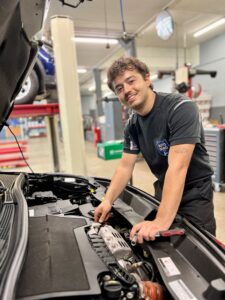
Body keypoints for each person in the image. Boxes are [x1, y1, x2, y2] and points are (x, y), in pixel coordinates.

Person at [94, 56, 216, 243]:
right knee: (160, 245)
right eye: (119, 88)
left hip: (194, 194)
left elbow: (178, 167)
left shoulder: (180, 108)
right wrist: (107, 200)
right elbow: (125, 167)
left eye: (131, 80)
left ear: (147, 79)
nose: (126, 90)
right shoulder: (132, 126)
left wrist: (161, 220)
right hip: (164, 188)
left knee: (196, 248)